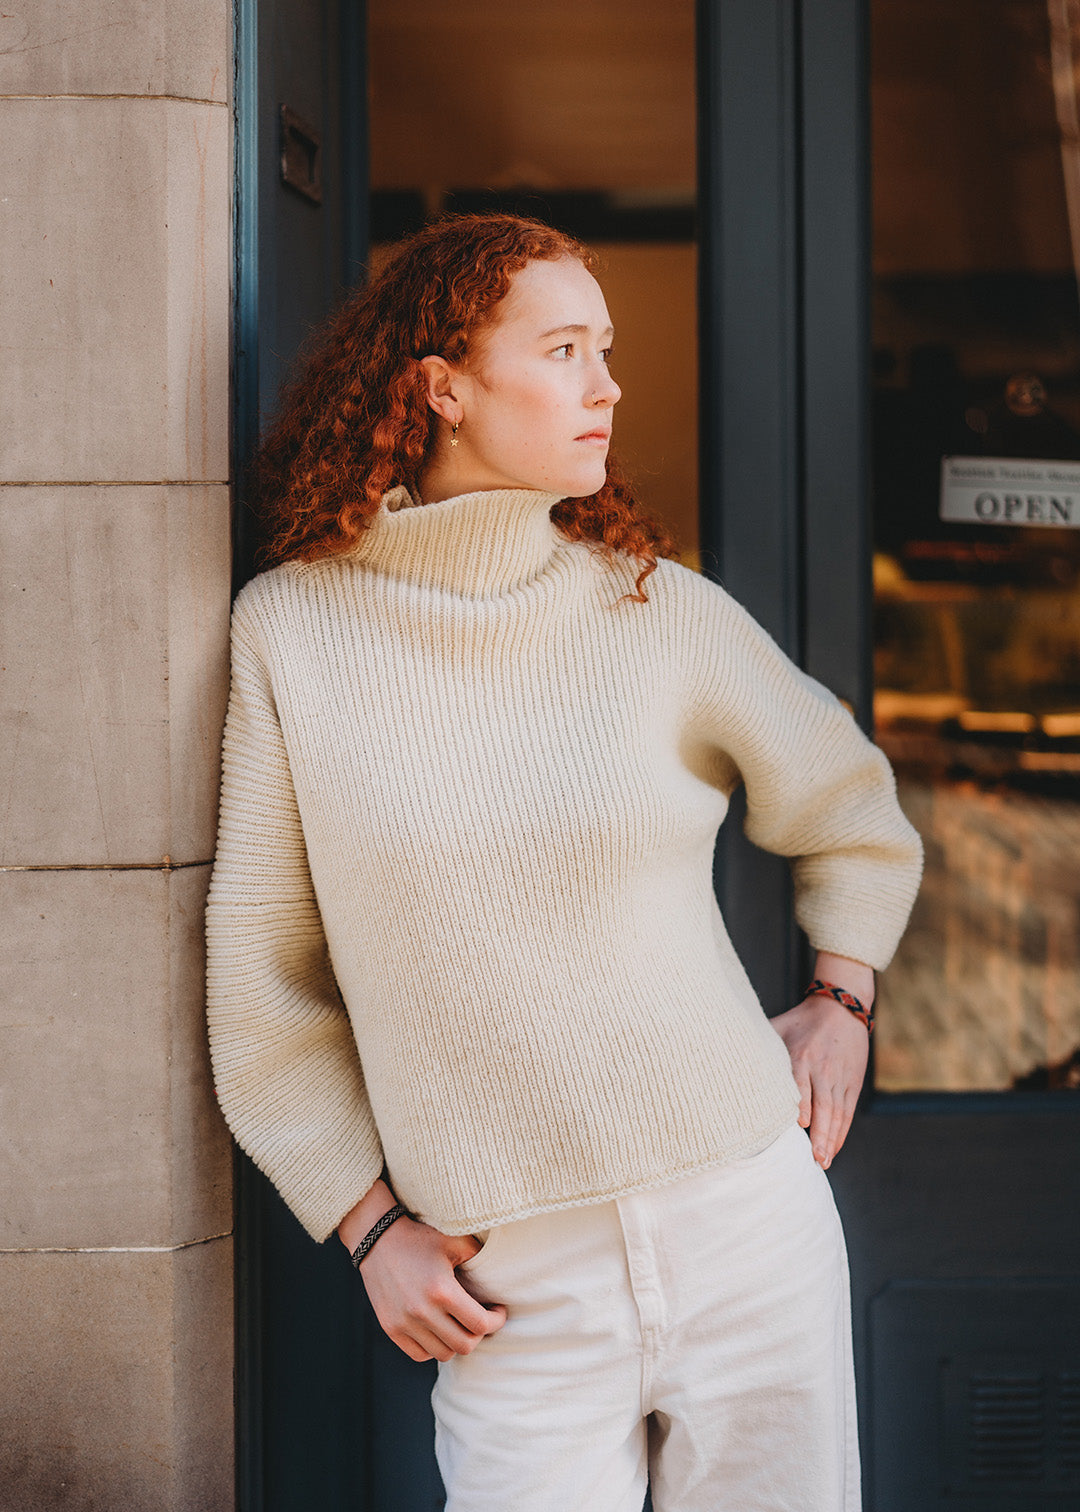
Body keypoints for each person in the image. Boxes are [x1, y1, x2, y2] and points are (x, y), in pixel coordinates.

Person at [205, 213, 923, 1512]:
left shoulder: (653, 606)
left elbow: (847, 801)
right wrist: (368, 1227)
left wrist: (843, 998)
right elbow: (266, 983)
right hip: (505, 1285)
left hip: (747, 1224)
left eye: (608, 349)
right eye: (565, 350)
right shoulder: (291, 634)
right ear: (445, 387)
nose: (609, 387)